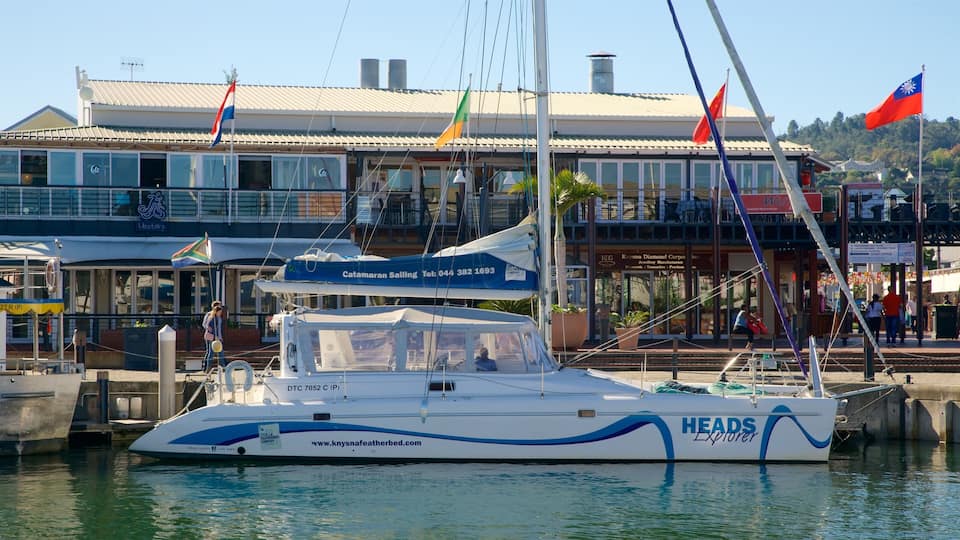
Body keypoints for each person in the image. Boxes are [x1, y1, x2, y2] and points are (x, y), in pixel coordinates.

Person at [202, 301, 225, 370]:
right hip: (212, 337)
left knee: (217, 352)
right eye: (219, 306)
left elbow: (219, 329)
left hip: (216, 337)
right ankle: (207, 367)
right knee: (210, 352)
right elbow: (207, 326)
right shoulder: (211, 317)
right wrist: (216, 336)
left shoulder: (218, 317)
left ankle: (221, 365)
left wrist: (220, 337)